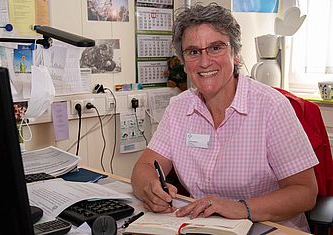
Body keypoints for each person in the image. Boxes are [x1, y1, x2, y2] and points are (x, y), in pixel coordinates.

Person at [130, 2, 319, 232]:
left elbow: (305, 192)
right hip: (204, 227)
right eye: (193, 52)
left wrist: (241, 207)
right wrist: (150, 188)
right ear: (184, 61)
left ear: (235, 53)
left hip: (270, 228)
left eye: (216, 47)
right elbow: (145, 165)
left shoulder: (271, 107)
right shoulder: (179, 108)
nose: (205, 61)